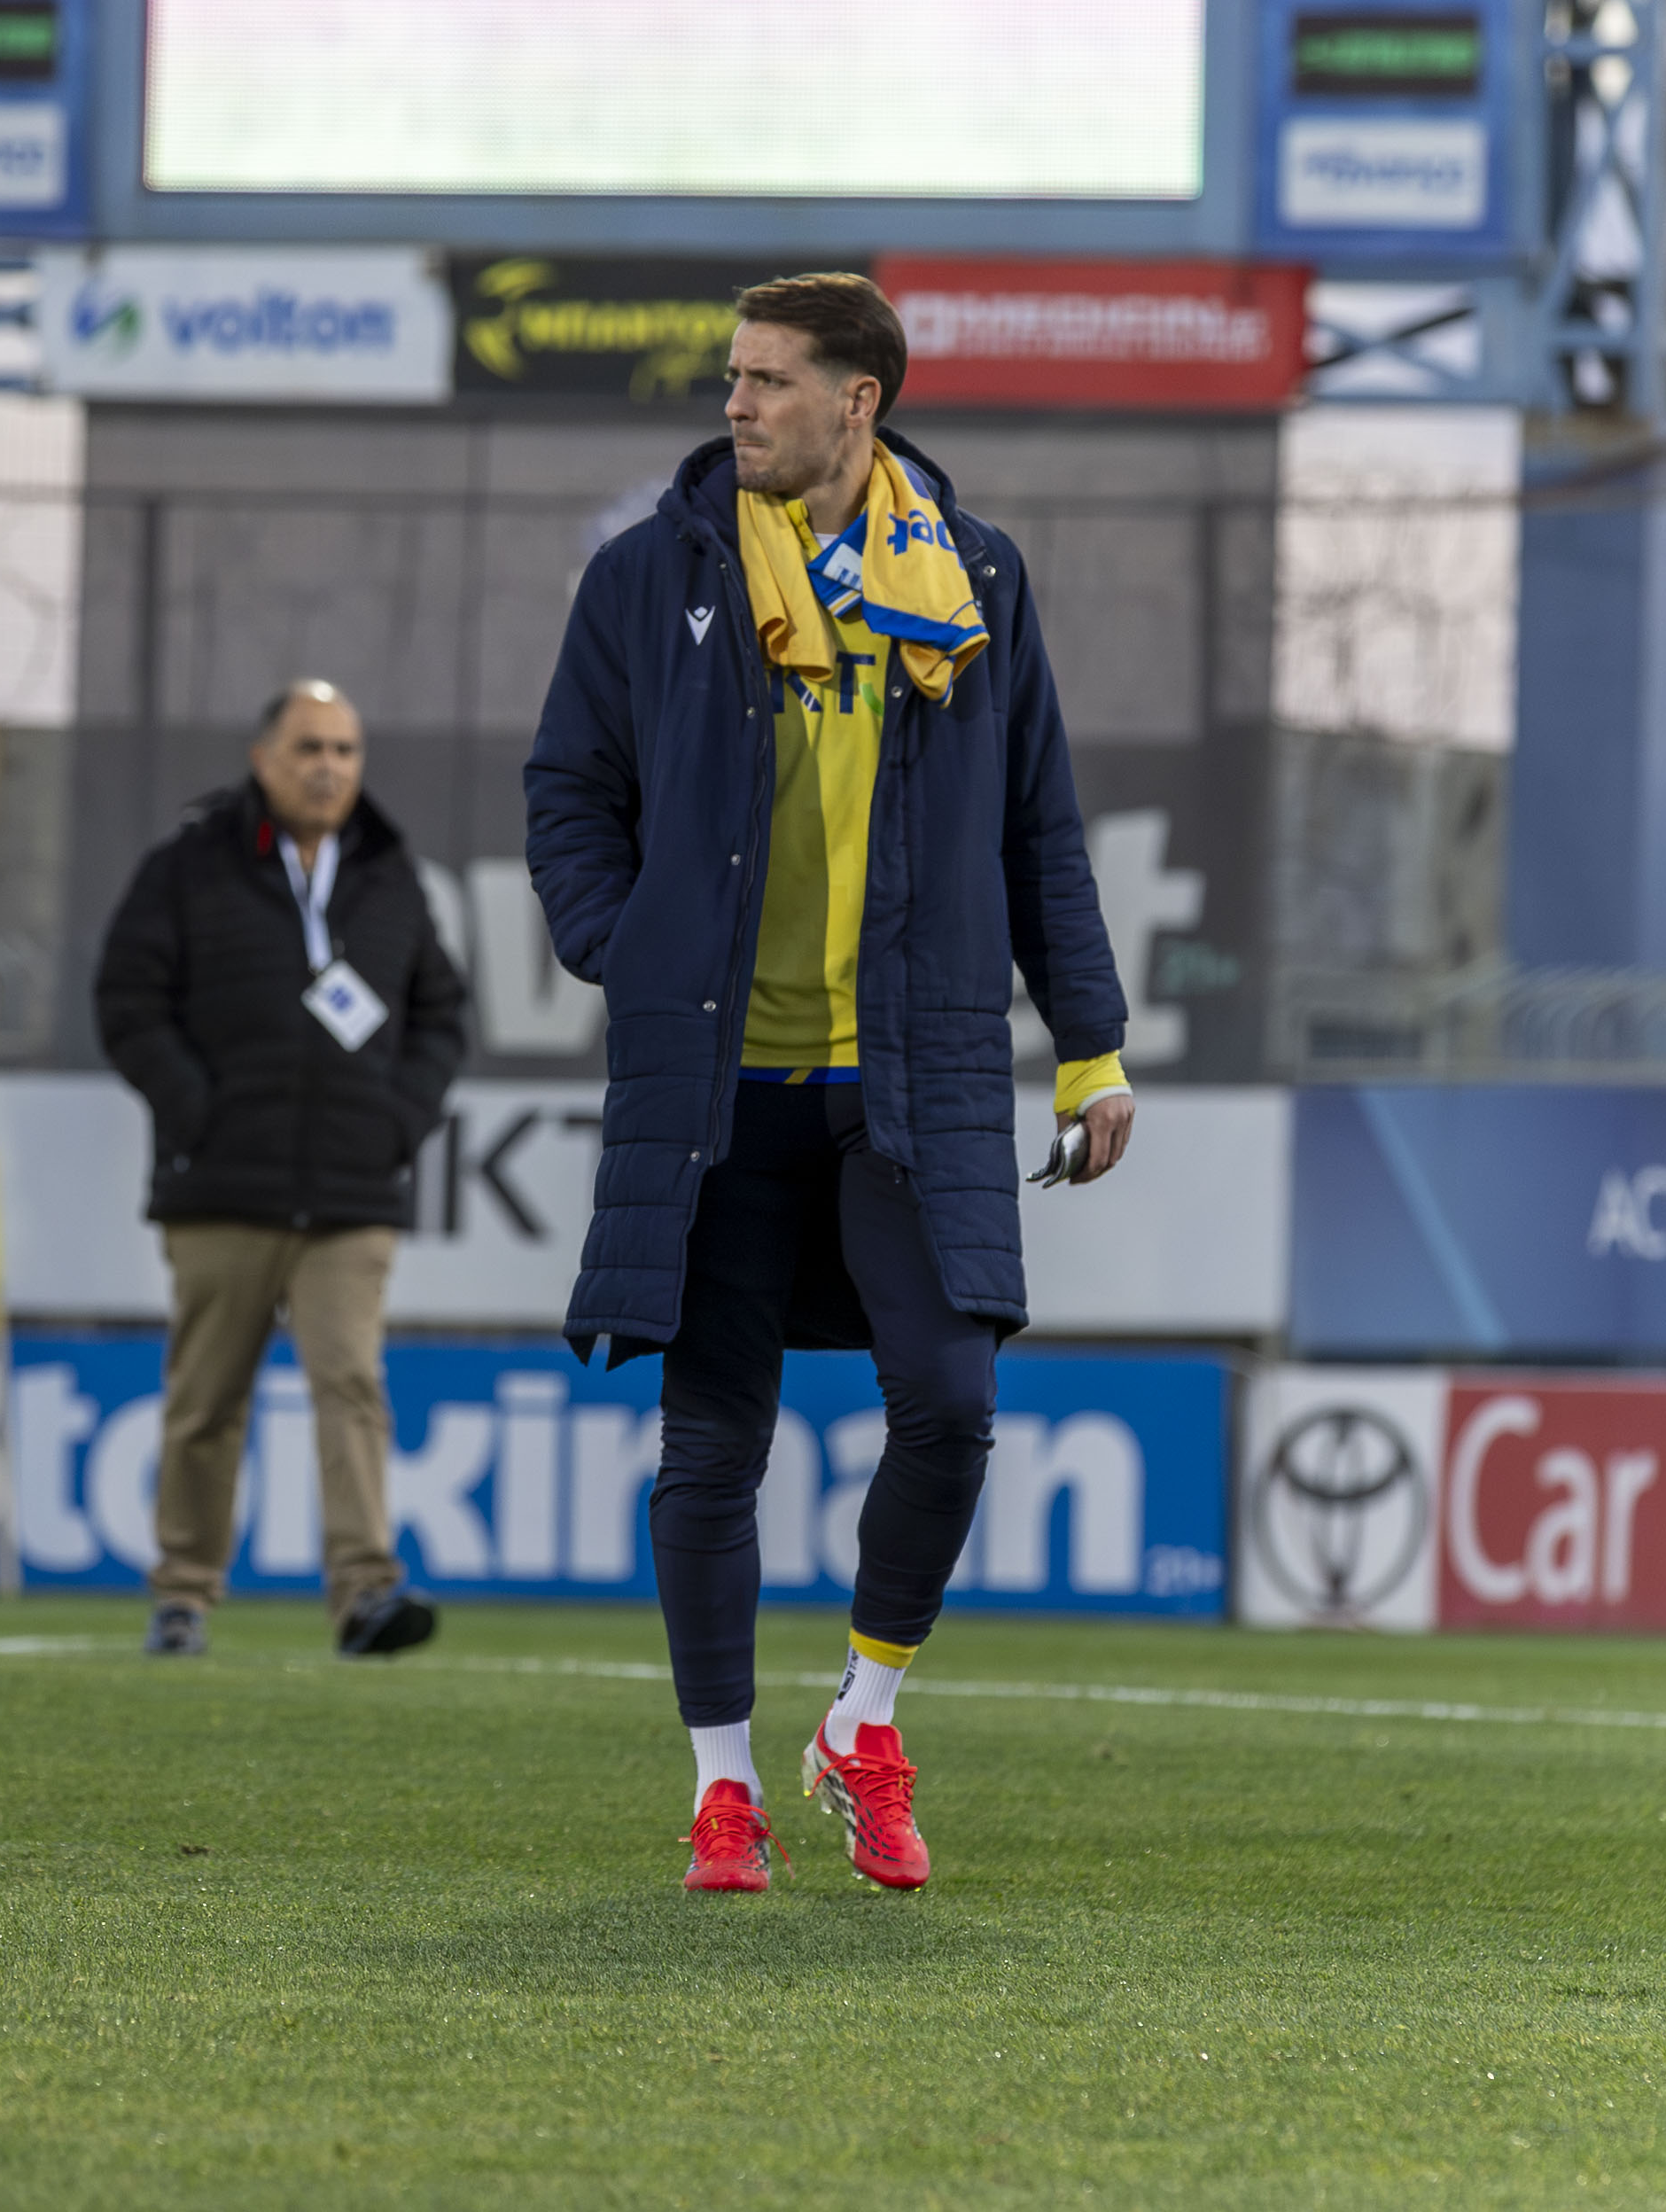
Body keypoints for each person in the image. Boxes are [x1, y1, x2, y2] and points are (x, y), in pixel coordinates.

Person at [525, 274, 1133, 1897]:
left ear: (858, 403)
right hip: (716, 1078)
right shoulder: (648, 575)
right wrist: (619, 943)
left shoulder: (973, 577)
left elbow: (1039, 830)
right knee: (710, 1443)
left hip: (912, 1073)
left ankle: (861, 1723)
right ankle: (721, 1788)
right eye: (731, 377)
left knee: (950, 1402)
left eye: (769, 381)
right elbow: (567, 788)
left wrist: (1089, 1046)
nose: (734, 404)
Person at [94, 680, 468, 1660]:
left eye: (344, 749)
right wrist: (199, 1113)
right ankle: (183, 1597)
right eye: (309, 747)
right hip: (222, 1186)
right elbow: (127, 999)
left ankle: (366, 1595)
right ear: (263, 759)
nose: (328, 767)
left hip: (351, 1191)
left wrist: (397, 1123)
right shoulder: (188, 865)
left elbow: (442, 1013)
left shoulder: (389, 874)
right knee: (206, 1402)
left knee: (351, 1386)